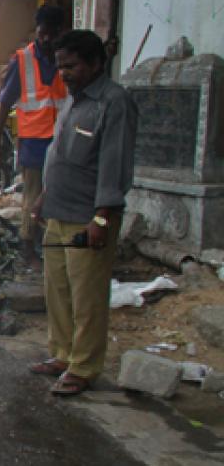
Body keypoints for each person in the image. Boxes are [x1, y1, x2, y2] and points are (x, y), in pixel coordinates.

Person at [29, 30, 137, 397]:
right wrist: (44, 196)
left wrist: (101, 220)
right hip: (58, 212)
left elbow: (114, 168)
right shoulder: (73, 102)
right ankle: (62, 354)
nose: (65, 73)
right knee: (57, 291)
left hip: (88, 218)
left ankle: (84, 366)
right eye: (61, 67)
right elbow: (60, 155)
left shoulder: (113, 102)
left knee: (86, 297)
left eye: (71, 66)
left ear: (94, 63)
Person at [0, 5, 68, 267]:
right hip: (34, 141)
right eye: (42, 33)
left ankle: (51, 245)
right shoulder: (23, 60)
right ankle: (27, 246)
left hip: (61, 139)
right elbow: (5, 103)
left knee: (57, 193)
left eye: (52, 34)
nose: (46, 39)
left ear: (61, 32)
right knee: (33, 196)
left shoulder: (66, 59)